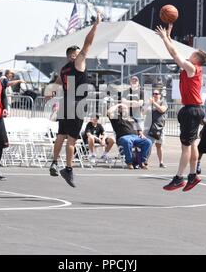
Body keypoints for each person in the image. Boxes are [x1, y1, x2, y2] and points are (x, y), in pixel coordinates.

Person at [45, 12, 102, 187]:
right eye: (78, 54)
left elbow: (55, 84)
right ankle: (68, 169)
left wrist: (49, 95)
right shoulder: (78, 63)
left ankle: (54, 162)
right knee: (71, 140)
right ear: (73, 55)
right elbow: (88, 43)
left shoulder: (64, 69)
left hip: (65, 104)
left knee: (61, 136)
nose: (81, 55)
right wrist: (96, 25)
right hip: (77, 105)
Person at [156, 23, 206, 192]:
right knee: (192, 145)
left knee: (185, 147)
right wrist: (169, 37)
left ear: (196, 59)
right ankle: (193, 175)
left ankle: (179, 178)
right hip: (193, 109)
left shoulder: (192, 68)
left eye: (192, 54)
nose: (189, 55)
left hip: (192, 110)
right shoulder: (192, 67)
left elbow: (174, 54)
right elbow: (175, 50)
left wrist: (164, 38)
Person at [107, 103, 152, 169]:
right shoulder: (116, 118)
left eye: (126, 108)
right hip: (123, 137)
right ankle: (129, 162)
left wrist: (141, 134)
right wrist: (118, 104)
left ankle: (143, 162)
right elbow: (109, 112)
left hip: (135, 137)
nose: (125, 110)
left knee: (148, 142)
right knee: (127, 141)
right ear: (119, 110)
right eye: (122, 109)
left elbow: (139, 129)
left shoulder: (132, 119)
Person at [143, 89, 168, 168]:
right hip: (149, 127)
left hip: (159, 127)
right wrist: (148, 104)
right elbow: (143, 112)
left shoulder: (162, 102)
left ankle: (161, 162)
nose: (154, 95)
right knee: (148, 144)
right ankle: (145, 161)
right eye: (153, 94)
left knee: (159, 145)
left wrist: (154, 103)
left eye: (156, 94)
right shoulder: (149, 103)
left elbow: (162, 110)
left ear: (160, 95)